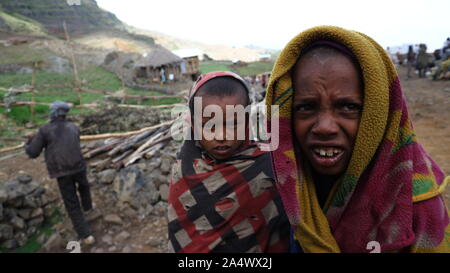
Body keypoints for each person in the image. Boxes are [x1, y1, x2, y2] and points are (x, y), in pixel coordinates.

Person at [265, 26, 449, 253]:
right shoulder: (285, 182)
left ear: (379, 111)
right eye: (306, 107)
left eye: (348, 107)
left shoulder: (418, 207)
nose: (325, 127)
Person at [167, 71, 289, 253]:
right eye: (209, 125)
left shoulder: (268, 166)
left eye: (233, 124)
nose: (222, 136)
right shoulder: (184, 168)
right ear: (193, 123)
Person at [25, 101, 96, 246]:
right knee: (84, 187)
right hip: (79, 166)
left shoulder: (45, 130)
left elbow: (33, 153)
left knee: (71, 202)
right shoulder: (74, 127)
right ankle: (88, 208)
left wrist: (27, 145)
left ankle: (86, 235)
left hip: (61, 170)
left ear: (54, 113)